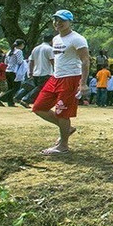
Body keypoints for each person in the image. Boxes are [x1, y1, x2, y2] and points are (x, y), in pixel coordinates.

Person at [31, 10, 90, 155]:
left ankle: (63, 146)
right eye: (56, 20)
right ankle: (67, 129)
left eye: (62, 20)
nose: (58, 23)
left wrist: (83, 83)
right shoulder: (56, 39)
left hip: (71, 78)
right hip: (55, 77)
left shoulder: (77, 39)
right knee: (38, 107)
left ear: (70, 22)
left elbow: (85, 60)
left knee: (63, 113)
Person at [20, 34, 54, 108]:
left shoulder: (36, 48)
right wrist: (57, 70)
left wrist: (31, 72)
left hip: (36, 72)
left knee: (38, 88)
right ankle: (26, 99)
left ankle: (37, 102)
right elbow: (52, 61)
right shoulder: (49, 49)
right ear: (52, 40)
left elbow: (31, 61)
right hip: (46, 72)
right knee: (41, 88)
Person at [0, 39, 26, 107]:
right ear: (21, 45)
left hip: (8, 70)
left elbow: (6, 62)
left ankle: (10, 102)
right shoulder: (19, 51)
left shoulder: (9, 51)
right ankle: (1, 98)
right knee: (16, 87)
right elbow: (20, 61)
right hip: (14, 71)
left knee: (10, 87)